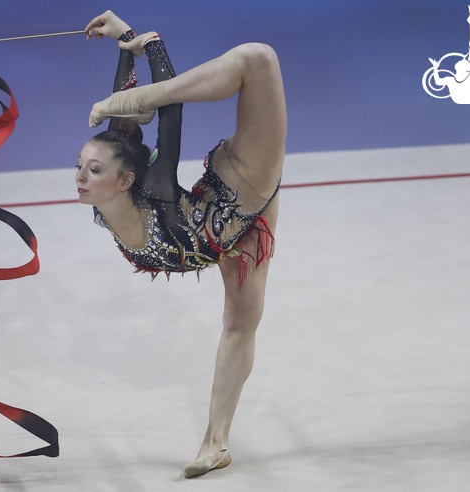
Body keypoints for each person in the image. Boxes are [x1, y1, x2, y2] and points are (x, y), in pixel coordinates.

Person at [77, 11, 286, 478]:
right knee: (239, 324)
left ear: (124, 178)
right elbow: (116, 129)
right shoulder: (107, 202)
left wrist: (147, 46)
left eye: (92, 170)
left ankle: (141, 96)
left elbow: (169, 118)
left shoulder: (154, 189)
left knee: (258, 59)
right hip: (231, 239)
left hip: (242, 186)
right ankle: (216, 444)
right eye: (82, 166)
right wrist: (128, 43)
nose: (80, 177)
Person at [429, 5, 470, 104]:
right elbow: (438, 82)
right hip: (464, 98)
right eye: (464, 61)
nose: (461, 60)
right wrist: (435, 67)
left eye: (463, 62)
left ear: (466, 69)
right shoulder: (451, 80)